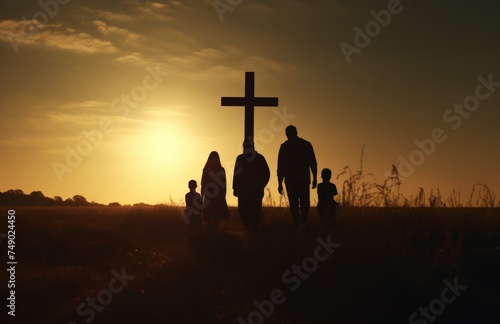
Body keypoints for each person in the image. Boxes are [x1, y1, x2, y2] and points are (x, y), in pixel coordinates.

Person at [277, 125, 317, 230]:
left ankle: (298, 225)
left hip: (292, 180)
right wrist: (315, 178)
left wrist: (279, 183)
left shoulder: (285, 147)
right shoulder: (305, 145)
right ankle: (303, 224)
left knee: (295, 204)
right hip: (302, 179)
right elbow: (313, 163)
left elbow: (280, 167)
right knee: (303, 203)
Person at [233, 140, 270, 232]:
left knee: (252, 209)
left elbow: (266, 173)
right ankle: (250, 227)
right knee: (249, 209)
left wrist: (261, 185)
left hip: (249, 190)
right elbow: (236, 174)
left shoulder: (245, 158)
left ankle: (252, 228)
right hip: (248, 189)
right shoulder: (256, 158)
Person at [201, 151, 229, 232]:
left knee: (211, 214)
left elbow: (203, 183)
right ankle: (212, 230)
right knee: (214, 214)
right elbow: (223, 183)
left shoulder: (206, 169)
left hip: (211, 195)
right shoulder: (220, 169)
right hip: (216, 195)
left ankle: (210, 231)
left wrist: (202, 195)